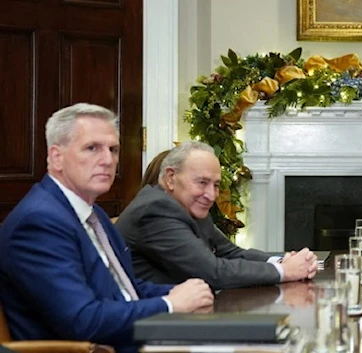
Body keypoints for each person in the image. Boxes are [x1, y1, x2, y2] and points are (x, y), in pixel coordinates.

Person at [0, 103, 214, 353]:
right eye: (92, 148)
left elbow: (124, 288)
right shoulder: (38, 223)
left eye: (113, 149)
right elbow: (82, 320)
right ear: (57, 157)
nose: (107, 160)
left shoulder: (92, 213)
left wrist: (181, 292)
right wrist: (169, 304)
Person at [115, 141, 318, 290]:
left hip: (189, 310)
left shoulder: (187, 205)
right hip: (155, 321)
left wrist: (282, 260)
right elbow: (212, 271)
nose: (211, 195)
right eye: (202, 183)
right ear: (170, 178)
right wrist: (285, 271)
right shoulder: (156, 209)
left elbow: (232, 253)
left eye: (216, 185)